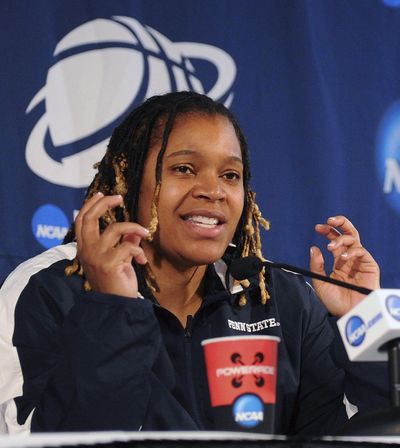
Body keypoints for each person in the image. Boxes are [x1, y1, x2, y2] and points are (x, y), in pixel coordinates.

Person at [0, 91, 380, 435]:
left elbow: (357, 434)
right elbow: (33, 438)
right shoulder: (50, 288)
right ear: (127, 179)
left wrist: (368, 325)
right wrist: (112, 310)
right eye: (184, 169)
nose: (213, 191)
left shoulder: (282, 298)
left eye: (230, 175)